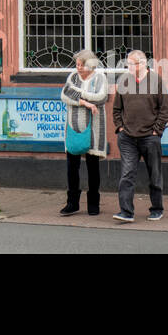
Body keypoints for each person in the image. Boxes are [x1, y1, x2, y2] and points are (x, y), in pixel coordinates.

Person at [111, 49, 168, 222]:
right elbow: (116, 109)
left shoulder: (156, 81)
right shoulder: (124, 81)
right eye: (127, 63)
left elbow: (165, 110)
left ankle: (157, 208)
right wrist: (120, 128)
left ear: (143, 64)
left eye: (132, 64)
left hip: (149, 137)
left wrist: (156, 131)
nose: (128, 67)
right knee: (127, 174)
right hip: (127, 137)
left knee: (155, 174)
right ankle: (126, 212)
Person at [59, 48, 108, 217]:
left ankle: (93, 204)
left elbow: (102, 98)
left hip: (94, 128)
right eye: (77, 64)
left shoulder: (100, 77)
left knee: (93, 167)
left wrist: (78, 96)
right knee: (72, 168)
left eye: (81, 65)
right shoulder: (72, 77)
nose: (78, 67)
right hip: (73, 126)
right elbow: (64, 95)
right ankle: (72, 203)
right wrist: (86, 102)